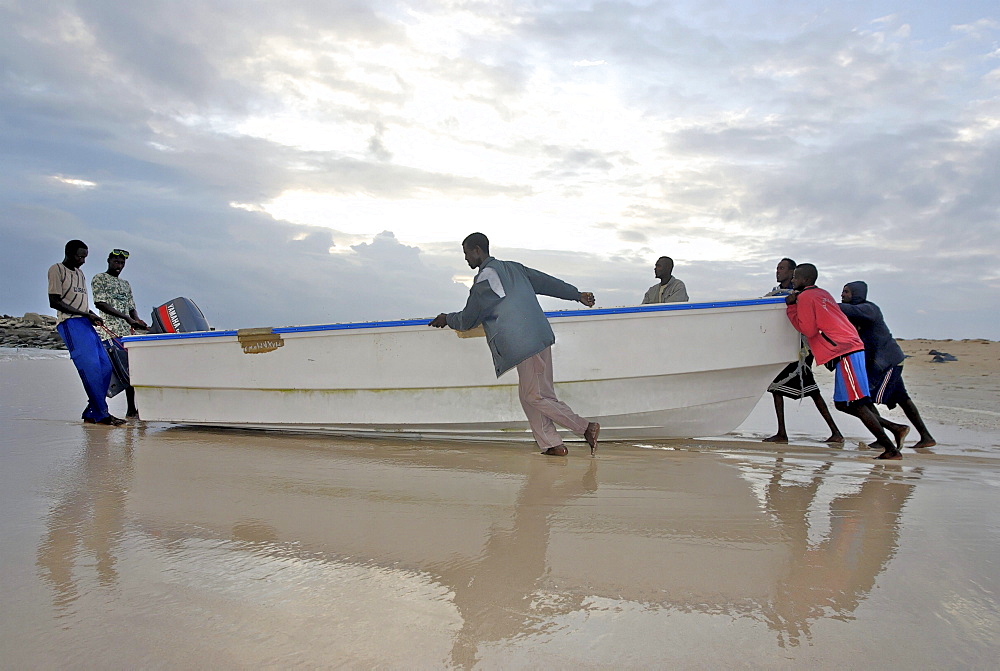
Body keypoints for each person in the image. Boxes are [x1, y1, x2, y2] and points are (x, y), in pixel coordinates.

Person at [429, 232, 601, 456]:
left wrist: (446, 318)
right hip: (537, 336)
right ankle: (552, 444)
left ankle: (586, 428)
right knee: (532, 394)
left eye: (466, 254)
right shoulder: (514, 267)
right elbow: (546, 282)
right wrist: (576, 295)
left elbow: (467, 319)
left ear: (477, 250)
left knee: (535, 395)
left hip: (524, 343)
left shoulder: (483, 281)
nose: (465, 259)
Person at [784, 264, 900, 459]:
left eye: (795, 277)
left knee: (855, 403)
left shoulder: (804, 298)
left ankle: (891, 449)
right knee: (843, 404)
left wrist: (791, 307)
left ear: (804, 280)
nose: (793, 280)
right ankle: (895, 428)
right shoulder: (823, 293)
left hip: (845, 350)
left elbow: (808, 330)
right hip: (850, 347)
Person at [839, 281, 936, 448]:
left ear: (857, 294)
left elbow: (849, 310)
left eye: (846, 292)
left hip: (886, 362)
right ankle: (926, 437)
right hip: (886, 361)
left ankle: (890, 433)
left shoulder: (868, 308)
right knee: (902, 399)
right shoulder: (854, 313)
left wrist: (823, 303)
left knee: (862, 399)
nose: (842, 295)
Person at [762, 258, 843, 444]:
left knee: (808, 389)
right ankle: (783, 432)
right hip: (783, 347)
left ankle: (834, 432)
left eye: (782, 268)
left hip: (800, 349)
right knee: (777, 387)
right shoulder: (775, 294)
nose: (777, 272)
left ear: (793, 273)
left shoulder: (800, 294)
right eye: (777, 268)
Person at [47, 240, 125, 426]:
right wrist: (84, 314)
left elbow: (81, 303)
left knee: (105, 367)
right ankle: (102, 414)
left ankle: (92, 411)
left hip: (84, 322)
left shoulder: (80, 273)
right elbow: (54, 301)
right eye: (79, 256)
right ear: (68, 253)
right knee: (90, 368)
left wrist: (90, 314)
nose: (82, 261)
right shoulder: (56, 269)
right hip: (70, 323)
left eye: (85, 257)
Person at [93, 249, 148, 418]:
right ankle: (99, 408)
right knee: (112, 374)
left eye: (122, 263)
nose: (119, 266)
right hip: (109, 333)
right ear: (108, 260)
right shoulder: (100, 278)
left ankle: (131, 409)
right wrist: (125, 317)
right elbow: (100, 304)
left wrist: (136, 320)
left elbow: (131, 307)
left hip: (127, 334)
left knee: (131, 371)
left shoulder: (125, 284)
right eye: (116, 262)